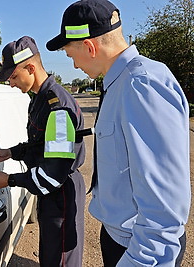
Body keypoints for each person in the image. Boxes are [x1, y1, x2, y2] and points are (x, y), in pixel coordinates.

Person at [46, 0, 191, 266]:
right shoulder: (121, 83)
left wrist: (139, 260)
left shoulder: (141, 85)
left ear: (89, 47)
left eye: (70, 55)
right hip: (121, 236)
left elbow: (164, 210)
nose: (74, 66)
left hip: (137, 247)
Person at [0, 36, 86, 266]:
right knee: (49, 254)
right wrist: (11, 152)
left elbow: (53, 174)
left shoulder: (57, 107)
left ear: (30, 68)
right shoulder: (39, 99)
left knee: (59, 259)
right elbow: (40, 145)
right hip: (51, 190)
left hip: (60, 192)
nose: (11, 83)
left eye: (13, 76)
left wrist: (9, 180)